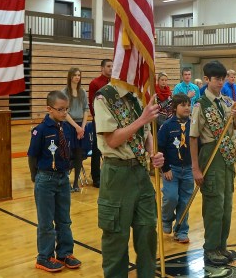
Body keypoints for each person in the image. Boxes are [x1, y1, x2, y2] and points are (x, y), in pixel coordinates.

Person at [94, 84, 164, 277]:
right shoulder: (104, 98)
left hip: (141, 172)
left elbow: (146, 133)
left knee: (148, 232)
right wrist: (142, 119)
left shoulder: (137, 97)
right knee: (116, 238)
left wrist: (153, 154)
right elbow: (112, 140)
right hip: (117, 172)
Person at [190, 60, 236, 267]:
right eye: (216, 79)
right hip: (210, 156)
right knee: (213, 206)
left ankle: (222, 245)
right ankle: (211, 248)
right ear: (206, 79)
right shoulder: (200, 105)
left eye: (222, 79)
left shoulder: (228, 102)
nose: (220, 82)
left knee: (226, 206)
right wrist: (195, 167)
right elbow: (194, 138)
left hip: (227, 159)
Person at [27, 90, 82, 272]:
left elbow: (71, 150)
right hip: (46, 179)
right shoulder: (40, 130)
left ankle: (65, 253)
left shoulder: (66, 127)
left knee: (64, 219)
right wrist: (37, 177)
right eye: (60, 110)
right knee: (46, 222)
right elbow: (32, 156)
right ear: (49, 109)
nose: (64, 113)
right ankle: (44, 257)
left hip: (62, 178)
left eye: (66, 109)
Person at [158, 94, 193, 244]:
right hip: (171, 169)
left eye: (188, 105)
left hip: (189, 169)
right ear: (174, 108)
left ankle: (181, 230)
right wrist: (165, 168)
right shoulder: (167, 126)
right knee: (171, 197)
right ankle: (166, 218)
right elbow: (160, 148)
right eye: (182, 105)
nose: (186, 108)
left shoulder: (193, 125)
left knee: (185, 202)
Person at [62, 67, 89, 192]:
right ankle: (65, 181)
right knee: (67, 154)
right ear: (70, 77)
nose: (77, 77)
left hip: (80, 126)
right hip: (69, 125)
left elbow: (85, 110)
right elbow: (64, 113)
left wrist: (82, 127)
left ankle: (76, 183)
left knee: (79, 155)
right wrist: (77, 127)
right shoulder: (64, 93)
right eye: (75, 75)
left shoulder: (82, 92)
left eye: (79, 75)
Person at [88, 59, 113, 188]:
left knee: (112, 147)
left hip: (114, 120)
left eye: (112, 66)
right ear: (102, 68)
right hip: (99, 120)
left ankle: (111, 176)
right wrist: (98, 119)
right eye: (108, 66)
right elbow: (92, 104)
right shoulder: (95, 83)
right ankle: (96, 177)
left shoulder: (115, 83)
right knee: (97, 149)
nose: (111, 68)